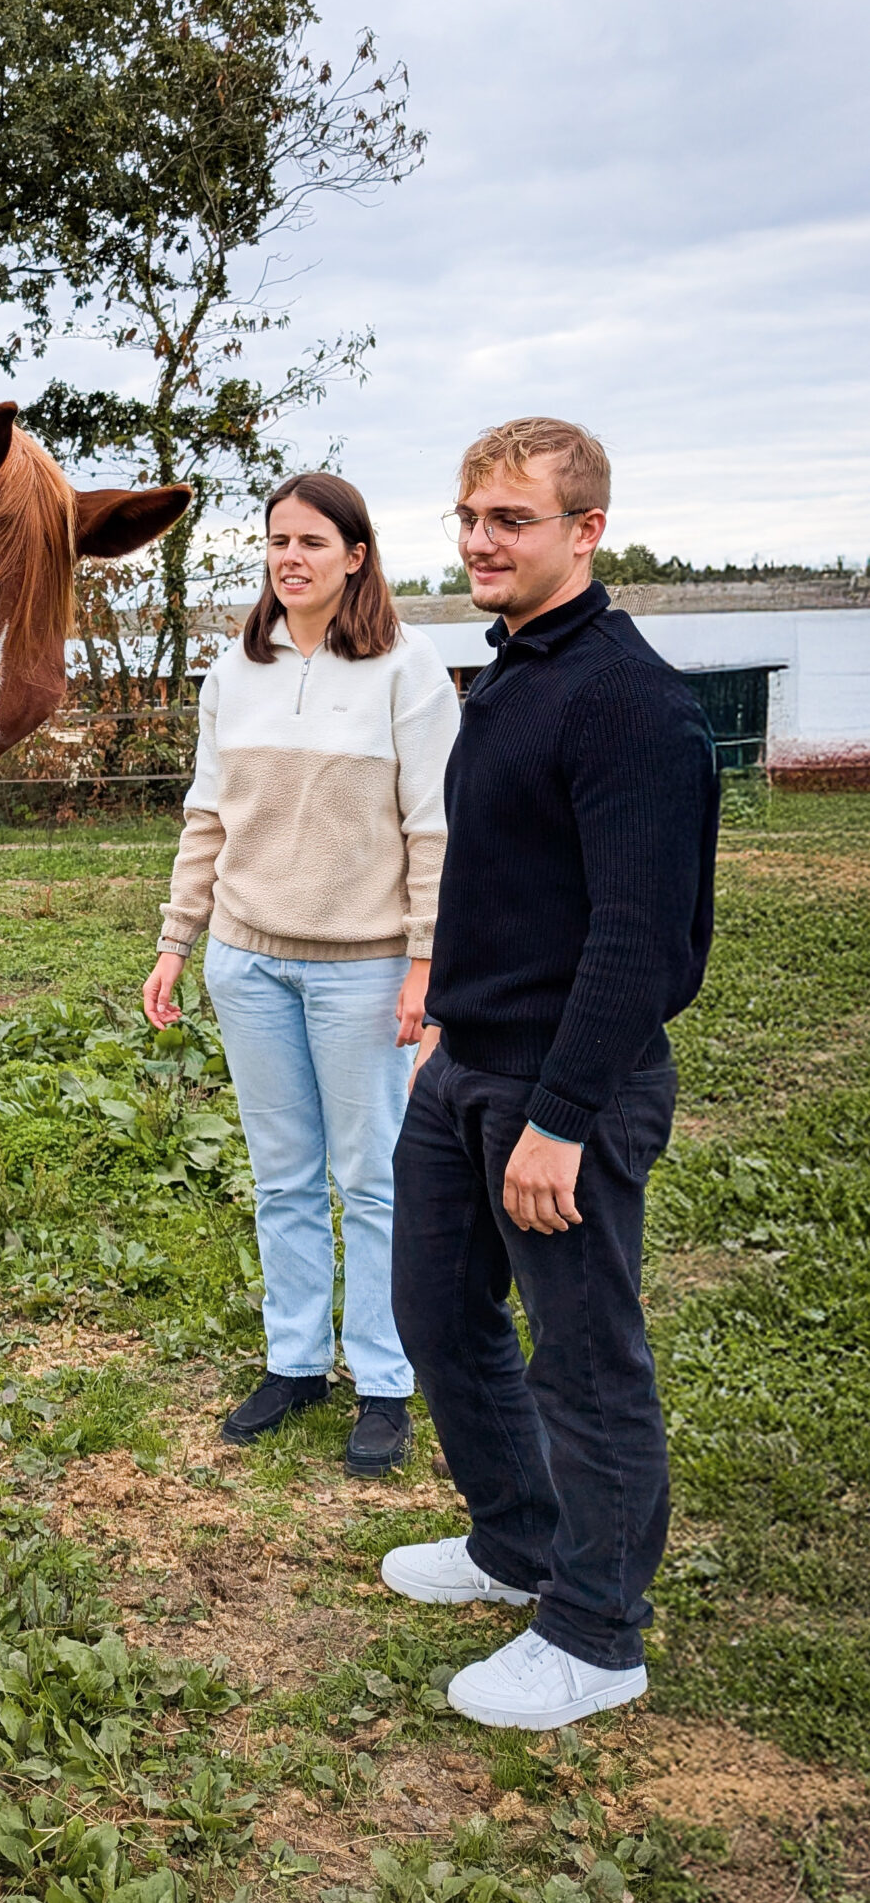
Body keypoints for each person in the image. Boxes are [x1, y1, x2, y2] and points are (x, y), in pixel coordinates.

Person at [381, 416, 718, 1730]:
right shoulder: (514, 673)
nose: (478, 543)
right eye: (468, 518)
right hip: (467, 1063)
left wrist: (560, 1121)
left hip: (560, 1087)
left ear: (585, 531)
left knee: (582, 1361)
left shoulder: (630, 703)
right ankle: (514, 1544)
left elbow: (642, 941)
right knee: (436, 1314)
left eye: (508, 521)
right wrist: (445, 1023)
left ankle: (592, 1634)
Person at [144, 473, 462, 1476]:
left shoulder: (409, 671)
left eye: (313, 541)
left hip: (363, 971)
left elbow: (434, 828)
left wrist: (425, 960)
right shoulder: (235, 672)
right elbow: (207, 817)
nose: (291, 557)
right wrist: (177, 941)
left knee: (370, 1180)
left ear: (356, 556)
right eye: (278, 541)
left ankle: (382, 1378)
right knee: (282, 1176)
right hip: (249, 961)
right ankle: (295, 1362)